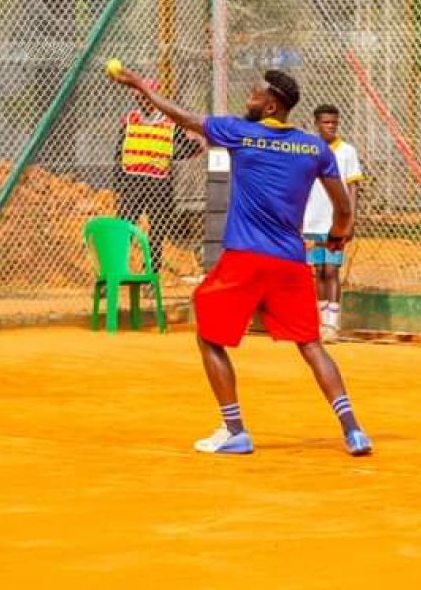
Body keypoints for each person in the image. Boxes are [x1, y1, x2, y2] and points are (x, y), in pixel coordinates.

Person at [109, 65, 371, 457]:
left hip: (245, 259)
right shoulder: (314, 148)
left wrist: (137, 85)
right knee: (312, 345)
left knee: (208, 336)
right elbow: (345, 210)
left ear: (270, 104)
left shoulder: (241, 132)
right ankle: (353, 431)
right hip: (289, 263)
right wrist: (335, 239)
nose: (247, 98)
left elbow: (180, 116)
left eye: (253, 94)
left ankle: (234, 430)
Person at [115, 78, 200, 274]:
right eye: (138, 97)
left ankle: (151, 270)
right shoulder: (130, 120)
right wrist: (118, 183)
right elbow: (119, 152)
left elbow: (186, 146)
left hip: (158, 182)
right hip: (132, 180)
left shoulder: (169, 122)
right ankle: (117, 267)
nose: (142, 101)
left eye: (145, 97)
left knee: (157, 229)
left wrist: (176, 153)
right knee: (124, 227)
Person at [302, 104, 362, 342]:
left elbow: (353, 186)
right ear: (317, 124)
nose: (331, 127)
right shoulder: (308, 150)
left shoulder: (347, 151)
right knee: (317, 272)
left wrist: (350, 220)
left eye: (334, 123)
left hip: (335, 223)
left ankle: (332, 325)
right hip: (311, 221)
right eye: (326, 123)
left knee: (332, 270)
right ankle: (322, 324)